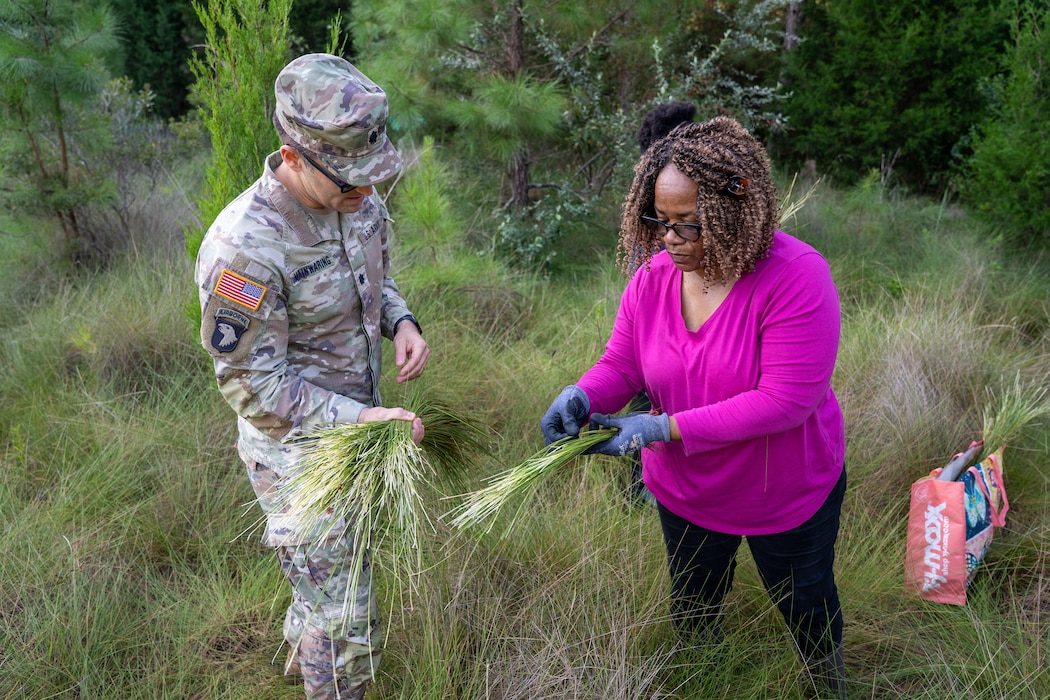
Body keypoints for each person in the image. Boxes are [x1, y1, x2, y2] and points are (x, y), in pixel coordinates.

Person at [540, 116, 847, 698]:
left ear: (735, 213)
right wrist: (582, 394)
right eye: (659, 220)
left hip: (781, 491)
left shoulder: (797, 277)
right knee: (695, 602)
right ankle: (708, 678)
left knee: (806, 603)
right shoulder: (654, 278)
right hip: (687, 492)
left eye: (687, 224)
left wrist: (660, 426)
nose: (668, 239)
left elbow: (785, 401)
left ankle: (828, 683)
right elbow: (623, 366)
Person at [194, 53, 429, 700]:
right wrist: (359, 419)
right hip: (297, 457)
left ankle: (305, 650)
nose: (365, 192)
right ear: (292, 157)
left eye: (371, 175)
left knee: (330, 587)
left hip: (358, 434)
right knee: (349, 624)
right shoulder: (245, 251)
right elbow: (249, 385)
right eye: (349, 179)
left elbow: (372, 276)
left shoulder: (355, 196)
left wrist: (401, 321)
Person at [626, 100, 697, 506]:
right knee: (648, 409)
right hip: (650, 333)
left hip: (670, 337)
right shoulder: (649, 204)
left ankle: (653, 489)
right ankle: (646, 490)